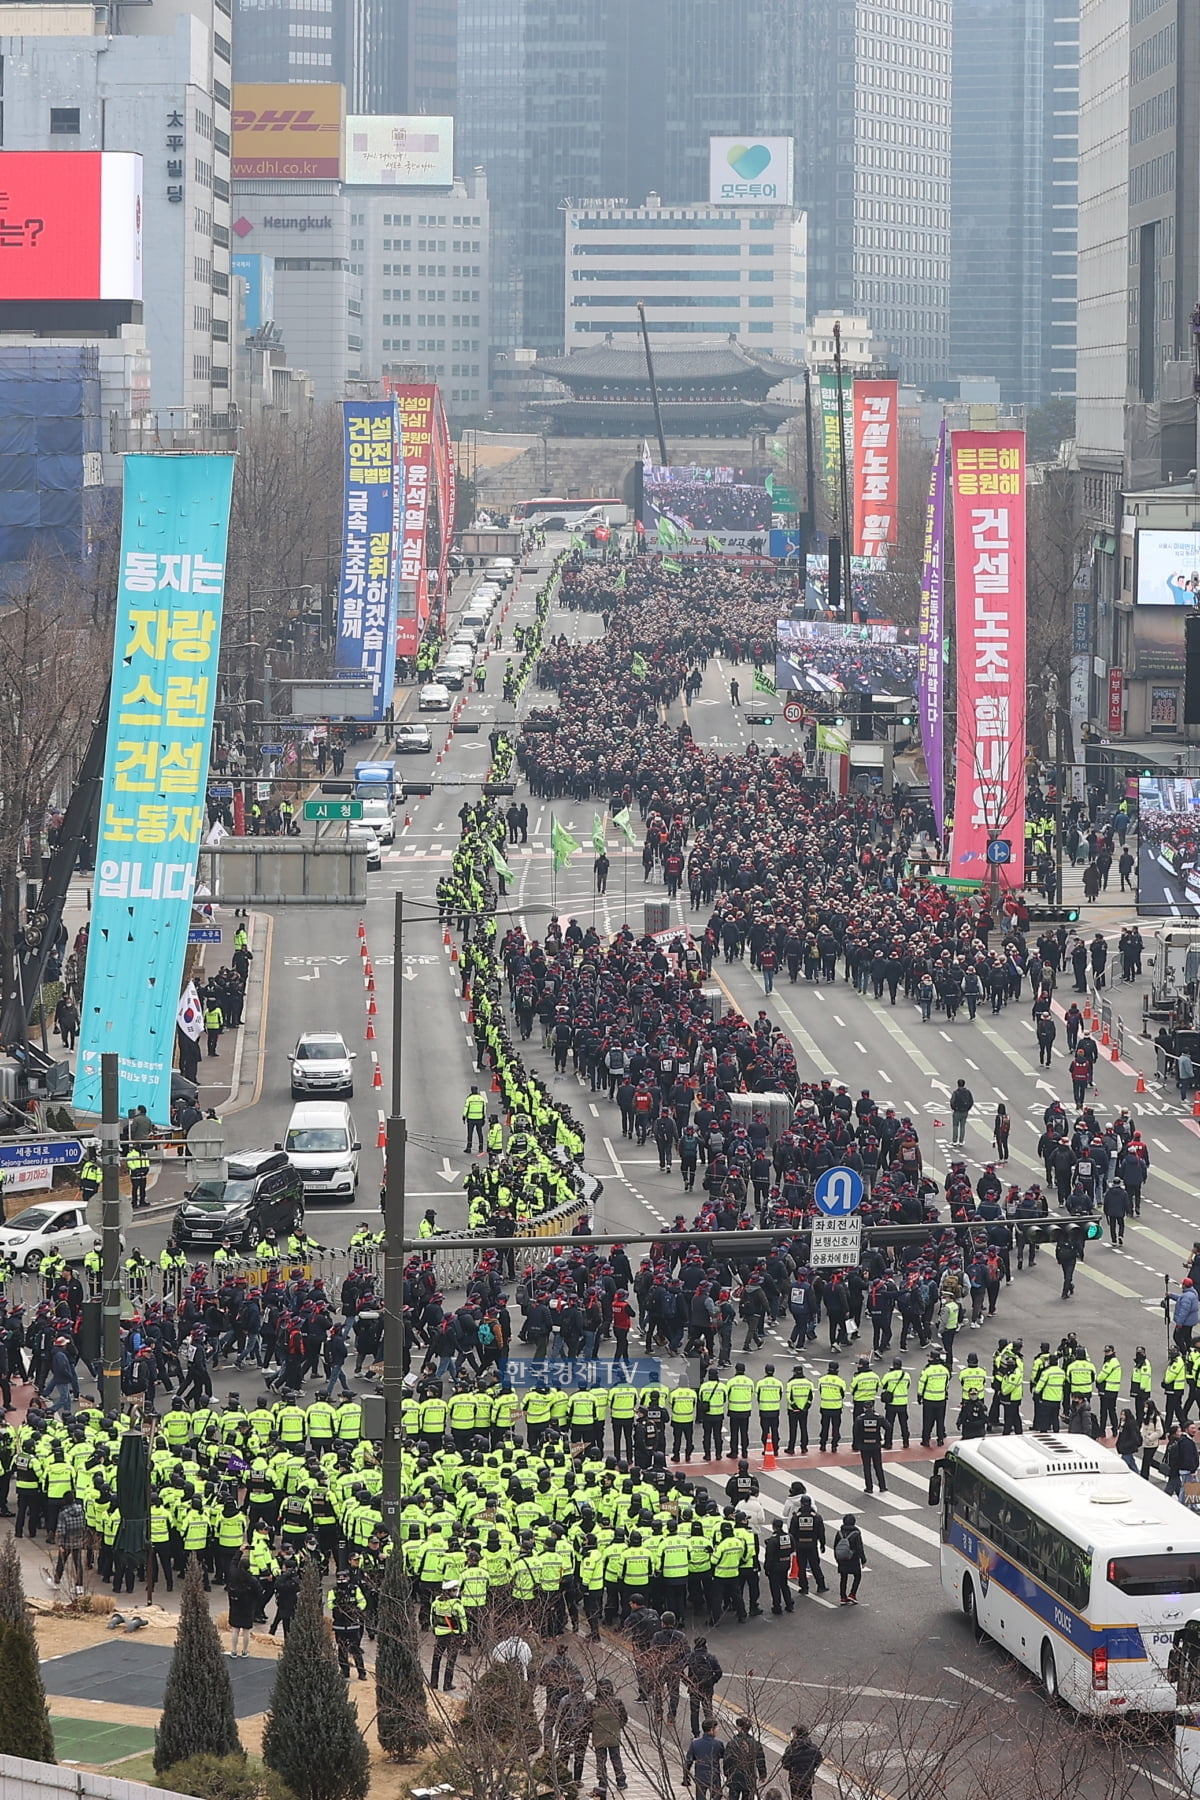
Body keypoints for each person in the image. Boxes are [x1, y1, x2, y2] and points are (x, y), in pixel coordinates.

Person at [590, 1678, 628, 1790]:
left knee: (601, 1760)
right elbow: (624, 1718)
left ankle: (602, 1782)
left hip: (598, 1737)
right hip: (613, 1735)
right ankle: (621, 1781)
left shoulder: (593, 1704)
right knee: (616, 1758)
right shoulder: (617, 1702)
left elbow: (588, 1720)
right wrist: (617, 1728)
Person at [226, 1551, 263, 1658]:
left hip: (235, 1604)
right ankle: (245, 1651)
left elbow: (232, 1563)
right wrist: (255, 1602)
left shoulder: (233, 1574)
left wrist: (240, 1551)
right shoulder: (252, 1580)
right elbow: (259, 1593)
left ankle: (233, 1650)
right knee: (246, 1630)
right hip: (248, 1607)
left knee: (235, 1629)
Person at [724, 1718, 767, 1800]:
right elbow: (760, 1759)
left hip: (735, 1776)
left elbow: (727, 1760)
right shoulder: (755, 1744)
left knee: (733, 1796)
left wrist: (727, 1773)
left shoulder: (732, 1743)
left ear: (740, 1728)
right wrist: (762, 1774)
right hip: (749, 1776)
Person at [780, 1723, 824, 1800]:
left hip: (795, 1778)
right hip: (808, 1778)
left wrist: (792, 1768)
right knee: (807, 1796)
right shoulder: (813, 1747)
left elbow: (785, 1763)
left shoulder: (791, 1748)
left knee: (796, 1797)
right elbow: (819, 1760)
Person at [685, 1719, 725, 1800]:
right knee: (717, 1796)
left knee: (700, 1797)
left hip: (700, 1776)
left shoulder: (695, 1743)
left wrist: (686, 1776)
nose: (717, 1730)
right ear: (711, 1730)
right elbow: (723, 1756)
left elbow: (688, 1761)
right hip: (714, 1776)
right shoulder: (718, 1744)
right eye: (716, 1728)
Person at [833, 1513, 866, 1604]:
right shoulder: (856, 1533)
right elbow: (859, 1547)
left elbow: (835, 1546)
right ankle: (852, 1594)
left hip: (842, 1559)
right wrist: (863, 1560)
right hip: (853, 1559)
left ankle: (843, 1597)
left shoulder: (839, 1533)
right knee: (857, 1576)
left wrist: (837, 1558)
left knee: (843, 1578)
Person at [949, 1079, 973, 1146]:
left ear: (958, 1084)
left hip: (957, 1111)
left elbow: (952, 1102)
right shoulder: (968, 1092)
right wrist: (967, 1109)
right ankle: (961, 1141)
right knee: (962, 1126)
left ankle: (954, 1140)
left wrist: (954, 1108)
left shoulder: (956, 1092)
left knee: (955, 1126)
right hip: (965, 1112)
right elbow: (971, 1101)